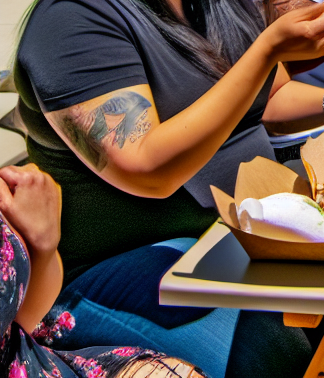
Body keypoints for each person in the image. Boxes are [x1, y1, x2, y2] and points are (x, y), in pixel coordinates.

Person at [15, 0, 324, 377]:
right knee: (275, 344)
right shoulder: (73, 17)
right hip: (117, 267)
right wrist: (265, 49)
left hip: (239, 231)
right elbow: (145, 167)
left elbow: (266, 105)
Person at [0, 162, 206, 378]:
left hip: (59, 361)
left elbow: (16, 323)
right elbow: (149, 166)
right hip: (77, 289)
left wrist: (43, 245)